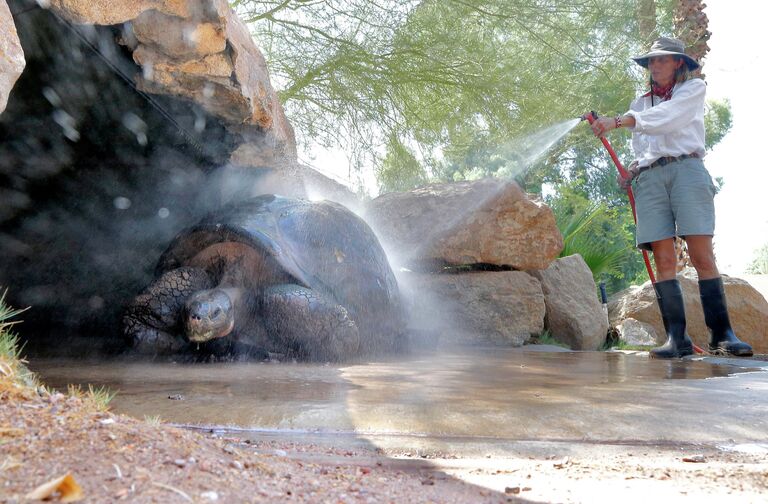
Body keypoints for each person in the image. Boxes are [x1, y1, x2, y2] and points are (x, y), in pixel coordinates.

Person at [588, 36, 752, 358]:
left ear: (679, 63)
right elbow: (644, 148)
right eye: (651, 60)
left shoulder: (693, 90)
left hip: (687, 170)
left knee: (702, 256)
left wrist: (618, 121)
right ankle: (676, 340)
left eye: (662, 59)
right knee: (664, 260)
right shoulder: (639, 102)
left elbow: (668, 119)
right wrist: (633, 171)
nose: (655, 65)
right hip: (650, 179)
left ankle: (723, 336)